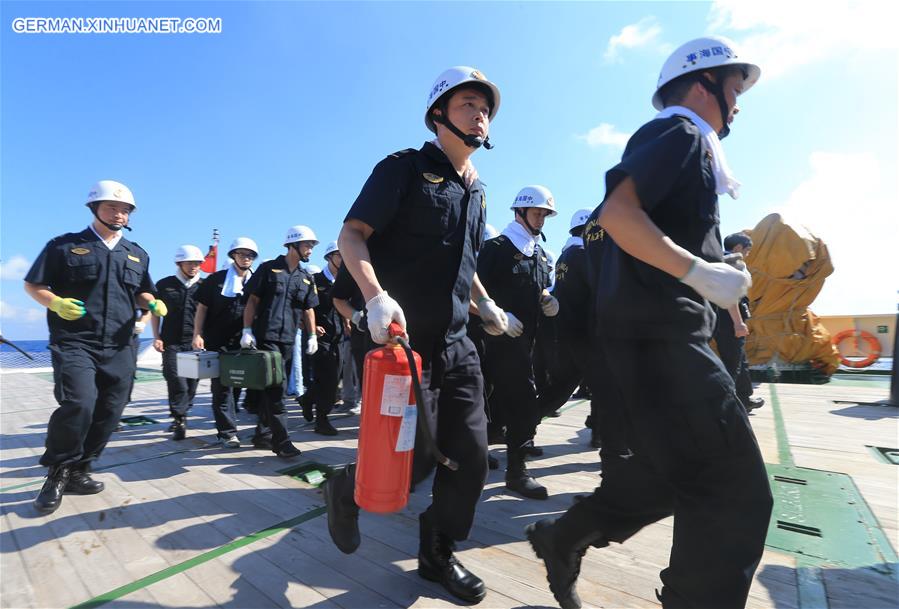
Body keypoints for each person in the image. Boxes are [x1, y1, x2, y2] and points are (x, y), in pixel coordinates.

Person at [526, 36, 773, 609]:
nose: (738, 104)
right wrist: (702, 276)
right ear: (701, 84)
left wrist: (713, 273)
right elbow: (618, 214)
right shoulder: (681, 132)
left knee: (673, 473)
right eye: (734, 89)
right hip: (663, 341)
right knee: (736, 496)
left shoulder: (691, 146)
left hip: (648, 341)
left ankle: (562, 537)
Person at [322, 66, 511, 604]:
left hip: (457, 343)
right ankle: (349, 488)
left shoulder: (478, 190)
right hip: (400, 344)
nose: (480, 114)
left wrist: (485, 303)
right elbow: (352, 235)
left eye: (485, 108)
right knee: (413, 455)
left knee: (472, 454)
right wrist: (375, 297)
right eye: (468, 104)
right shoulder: (403, 169)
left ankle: (437, 553)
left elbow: (466, 262)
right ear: (438, 115)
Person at [24, 180, 164, 515]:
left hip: (120, 344)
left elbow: (142, 292)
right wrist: (55, 303)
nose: (119, 213)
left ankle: (81, 469)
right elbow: (33, 284)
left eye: (125, 209)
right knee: (80, 403)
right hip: (75, 341)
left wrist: (154, 303)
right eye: (112, 207)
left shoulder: (138, 253)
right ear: (94, 208)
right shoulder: (64, 247)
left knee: (111, 410)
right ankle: (58, 473)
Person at [476, 185, 559, 500]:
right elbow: (472, 290)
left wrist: (548, 299)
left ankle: (516, 470)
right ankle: (479, 457)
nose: (541, 219)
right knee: (479, 402)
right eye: (537, 212)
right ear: (520, 211)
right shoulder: (494, 248)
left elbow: (537, 289)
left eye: (545, 214)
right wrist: (493, 316)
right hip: (489, 340)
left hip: (523, 345)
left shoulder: (538, 254)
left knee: (522, 404)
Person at [240, 225, 319, 458]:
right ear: (292, 244)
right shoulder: (267, 269)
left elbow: (309, 310)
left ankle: (262, 433)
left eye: (312, 246)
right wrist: (247, 330)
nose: (310, 250)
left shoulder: (306, 278)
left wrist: (312, 335)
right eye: (307, 245)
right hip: (266, 339)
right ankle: (282, 442)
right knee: (278, 390)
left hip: (288, 342)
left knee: (271, 389)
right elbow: (252, 301)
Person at [535, 208, 602, 447]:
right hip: (586, 334)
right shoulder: (585, 255)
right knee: (604, 386)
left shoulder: (566, 256)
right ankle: (599, 433)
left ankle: (521, 429)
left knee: (559, 390)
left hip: (567, 332)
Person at [193, 237, 259, 448]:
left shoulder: (258, 281)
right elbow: (202, 308)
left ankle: (262, 429)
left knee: (251, 385)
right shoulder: (215, 280)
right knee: (222, 389)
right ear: (233, 256)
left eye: (249, 255)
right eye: (241, 254)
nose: (246, 258)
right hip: (218, 342)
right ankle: (227, 432)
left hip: (247, 342)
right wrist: (197, 333)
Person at [152, 245, 204, 440]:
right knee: (175, 379)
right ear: (179, 263)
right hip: (171, 341)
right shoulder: (164, 285)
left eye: (197, 263)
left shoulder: (204, 286)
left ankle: (183, 411)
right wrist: (156, 336)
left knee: (191, 383)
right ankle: (179, 417)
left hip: (194, 342)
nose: (194, 267)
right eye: (190, 263)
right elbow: (155, 311)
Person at [714, 232, 764, 412]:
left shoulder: (716, 259)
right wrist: (738, 322)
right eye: (747, 251)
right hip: (729, 320)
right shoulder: (733, 262)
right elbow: (730, 294)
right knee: (732, 363)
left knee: (740, 360)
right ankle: (727, 407)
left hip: (720, 318)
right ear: (737, 248)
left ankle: (744, 398)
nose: (748, 255)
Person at [307, 241, 346, 435]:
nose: (343, 258)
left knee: (333, 377)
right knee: (328, 380)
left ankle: (306, 399)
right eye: (339, 255)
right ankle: (321, 421)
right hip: (319, 338)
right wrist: (312, 327)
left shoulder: (345, 280)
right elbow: (304, 308)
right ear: (329, 257)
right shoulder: (314, 280)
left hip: (338, 337)